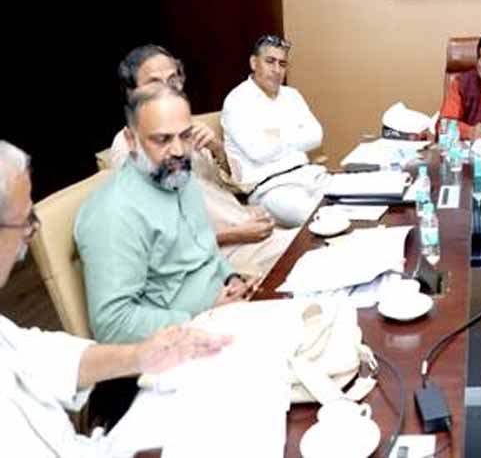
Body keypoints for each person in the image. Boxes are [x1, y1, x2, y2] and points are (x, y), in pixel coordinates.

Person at [0, 140, 230, 456]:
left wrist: (138, 355)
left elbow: (40, 356)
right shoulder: (112, 212)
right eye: (25, 221)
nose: (31, 232)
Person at [76, 84, 253, 345]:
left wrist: (232, 278)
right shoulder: (113, 212)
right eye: (162, 139)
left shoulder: (180, 177)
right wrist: (201, 316)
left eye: (185, 136)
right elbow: (112, 325)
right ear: (131, 140)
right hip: (180, 343)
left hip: (230, 309)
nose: (179, 150)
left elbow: (207, 249)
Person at [108, 44, 293, 275]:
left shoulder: (188, 129)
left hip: (246, 224)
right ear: (132, 92)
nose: (168, 90)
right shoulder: (130, 147)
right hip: (217, 254)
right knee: (318, 249)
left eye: (173, 80)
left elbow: (231, 187)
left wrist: (216, 148)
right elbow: (158, 242)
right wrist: (235, 234)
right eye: (154, 83)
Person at [222, 35, 330, 227]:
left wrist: (276, 136)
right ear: (254, 63)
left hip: (308, 174)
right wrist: (296, 135)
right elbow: (260, 152)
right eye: (270, 61)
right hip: (271, 188)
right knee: (321, 219)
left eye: (282, 64)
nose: (277, 70)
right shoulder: (237, 101)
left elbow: (316, 136)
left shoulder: (292, 95)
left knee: (352, 201)